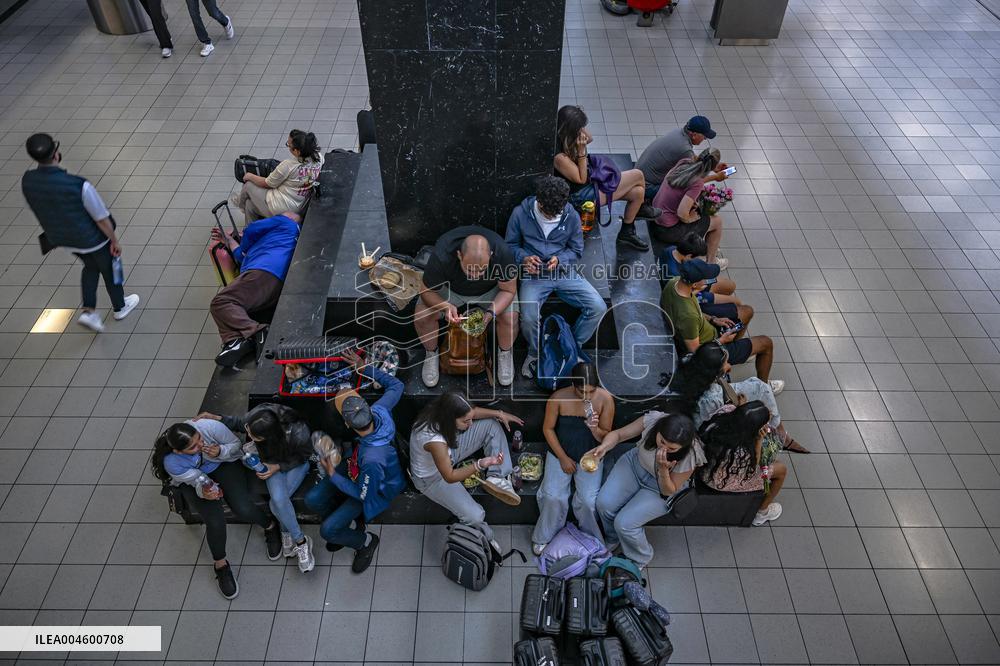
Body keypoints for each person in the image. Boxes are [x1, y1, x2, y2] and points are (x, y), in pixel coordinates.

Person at [21, 133, 140, 333]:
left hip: (62, 239)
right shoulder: (78, 185)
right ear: (56, 154)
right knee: (111, 270)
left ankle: (89, 311)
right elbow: (101, 218)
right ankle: (120, 306)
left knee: (90, 266)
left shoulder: (28, 181)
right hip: (92, 239)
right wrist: (114, 240)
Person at [151, 419, 282, 599]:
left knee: (243, 508)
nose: (201, 445)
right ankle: (221, 565)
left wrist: (220, 451)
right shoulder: (172, 462)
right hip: (195, 480)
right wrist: (205, 490)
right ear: (178, 451)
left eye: (199, 440)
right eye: (193, 447)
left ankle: (270, 526)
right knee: (214, 521)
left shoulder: (208, 427)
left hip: (223, 463)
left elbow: (236, 445)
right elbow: (194, 479)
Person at [304, 351, 406, 574]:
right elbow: (397, 386)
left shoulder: (372, 458)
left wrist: (332, 473)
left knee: (327, 531)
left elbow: (364, 493)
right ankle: (341, 518)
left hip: (373, 486)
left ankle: (366, 541)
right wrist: (363, 366)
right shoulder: (380, 410)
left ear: (348, 425)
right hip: (355, 467)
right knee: (312, 499)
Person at [505, 176, 607, 378]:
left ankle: (570, 345)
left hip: (563, 271)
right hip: (533, 276)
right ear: (539, 202)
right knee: (529, 316)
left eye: (557, 212)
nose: (552, 216)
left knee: (598, 307)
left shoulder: (571, 216)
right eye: (547, 212)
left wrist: (560, 260)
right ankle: (534, 354)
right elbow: (509, 246)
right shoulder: (520, 214)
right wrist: (524, 258)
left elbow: (576, 249)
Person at [198, 404, 318, 573]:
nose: (249, 437)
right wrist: (218, 418)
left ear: (271, 436)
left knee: (276, 503)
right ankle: (295, 536)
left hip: (295, 463)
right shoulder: (257, 416)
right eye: (249, 431)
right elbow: (240, 423)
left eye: (255, 437)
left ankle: (295, 538)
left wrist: (277, 467)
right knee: (278, 500)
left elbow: (305, 455)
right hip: (269, 461)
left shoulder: (298, 433)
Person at [591, 410, 703, 568]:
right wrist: (604, 447)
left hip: (660, 486)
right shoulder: (654, 420)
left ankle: (641, 556)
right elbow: (619, 435)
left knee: (624, 523)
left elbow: (668, 490)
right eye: (661, 441)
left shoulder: (691, 454)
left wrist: (663, 470)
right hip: (634, 465)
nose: (663, 448)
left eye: (671, 448)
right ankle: (612, 538)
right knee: (604, 504)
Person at [408, 393, 524, 542]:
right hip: (433, 477)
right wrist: (479, 464)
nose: (471, 424)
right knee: (475, 516)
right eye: (466, 421)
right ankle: (485, 540)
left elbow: (473, 412)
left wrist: (500, 414)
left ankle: (497, 478)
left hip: (449, 452)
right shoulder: (434, 440)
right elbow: (449, 476)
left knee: (491, 424)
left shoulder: (443, 409)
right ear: (450, 419)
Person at [415, 226, 519, 387]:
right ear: (459, 255)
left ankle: (505, 352)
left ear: (491, 256)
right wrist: (445, 307)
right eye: (470, 269)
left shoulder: (502, 253)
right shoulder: (443, 252)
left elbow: (509, 290)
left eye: (482, 269)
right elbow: (425, 290)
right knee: (423, 316)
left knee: (510, 316)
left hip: (491, 290)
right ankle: (431, 352)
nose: (475, 276)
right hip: (451, 289)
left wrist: (490, 313)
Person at [532, 363, 615, 555]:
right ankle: (544, 536)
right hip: (561, 451)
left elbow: (606, 437)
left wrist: (594, 429)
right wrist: (562, 458)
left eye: (591, 391)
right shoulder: (558, 398)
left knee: (587, 500)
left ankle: (591, 538)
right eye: (581, 391)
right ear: (573, 385)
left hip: (591, 452)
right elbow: (548, 429)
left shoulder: (605, 400)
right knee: (553, 496)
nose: (586, 396)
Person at [669, 341, 807, 452]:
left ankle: (779, 431)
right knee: (761, 389)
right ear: (715, 373)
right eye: (725, 364)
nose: (729, 366)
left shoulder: (688, 361)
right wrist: (740, 407)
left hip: (708, 393)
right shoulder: (711, 399)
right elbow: (717, 425)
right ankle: (780, 433)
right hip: (708, 426)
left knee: (760, 387)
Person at [661, 259, 780, 386]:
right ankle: (764, 386)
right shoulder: (688, 317)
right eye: (704, 279)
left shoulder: (674, 283)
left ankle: (736, 348)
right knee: (766, 343)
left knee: (747, 311)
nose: (707, 281)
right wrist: (721, 342)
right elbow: (697, 352)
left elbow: (694, 314)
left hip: (705, 329)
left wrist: (713, 319)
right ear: (695, 284)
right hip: (711, 345)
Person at [553, 105, 653, 252]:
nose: (582, 132)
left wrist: (579, 127)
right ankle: (642, 209)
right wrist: (581, 152)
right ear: (570, 130)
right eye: (579, 128)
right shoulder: (559, 157)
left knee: (638, 193)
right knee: (637, 175)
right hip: (579, 197)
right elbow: (581, 179)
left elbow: (590, 138)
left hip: (589, 186)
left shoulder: (569, 139)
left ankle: (627, 232)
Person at [210, 211, 301, 367]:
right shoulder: (278, 240)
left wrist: (244, 241)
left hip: (263, 271)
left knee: (221, 302)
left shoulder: (287, 222)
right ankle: (236, 342)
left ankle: (258, 331)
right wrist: (230, 240)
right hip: (271, 281)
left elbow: (252, 228)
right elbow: (241, 256)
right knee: (232, 306)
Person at [698, 401, 787, 526]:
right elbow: (754, 465)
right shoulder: (742, 451)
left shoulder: (724, 413)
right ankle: (762, 512)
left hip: (706, 467)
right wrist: (759, 441)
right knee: (781, 470)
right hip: (718, 480)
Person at [650, 149, 727, 268]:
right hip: (667, 230)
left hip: (654, 215)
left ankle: (710, 246)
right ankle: (711, 263)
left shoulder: (683, 163)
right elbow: (682, 214)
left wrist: (713, 174)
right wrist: (691, 218)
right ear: (711, 166)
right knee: (717, 221)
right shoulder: (697, 184)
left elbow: (691, 182)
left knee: (701, 213)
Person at [660, 232, 749, 326]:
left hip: (693, 284)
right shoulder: (675, 275)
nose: (698, 259)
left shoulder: (672, 250)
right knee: (737, 303)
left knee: (729, 285)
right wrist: (699, 289)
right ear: (689, 256)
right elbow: (682, 296)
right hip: (693, 293)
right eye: (697, 257)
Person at [233, 130, 323, 221]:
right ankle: (248, 231)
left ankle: (240, 204)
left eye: (289, 145)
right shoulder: (319, 157)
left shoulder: (288, 165)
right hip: (302, 204)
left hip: (283, 207)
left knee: (248, 185)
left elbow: (267, 183)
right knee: (250, 205)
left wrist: (249, 176)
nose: (288, 147)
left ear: (297, 151)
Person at [636, 116, 728, 200]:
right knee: (687, 190)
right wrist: (715, 177)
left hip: (638, 175)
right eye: (704, 137)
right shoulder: (684, 149)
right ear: (694, 135)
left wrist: (713, 166)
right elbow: (692, 181)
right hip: (647, 187)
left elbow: (692, 159)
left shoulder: (678, 132)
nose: (704, 139)